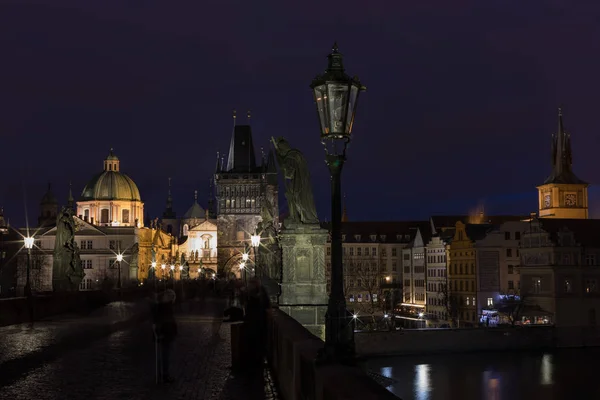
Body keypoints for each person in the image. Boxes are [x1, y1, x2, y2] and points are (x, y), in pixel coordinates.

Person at [244, 278, 271, 370]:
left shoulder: (256, 294)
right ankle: (256, 362)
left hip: (256, 323)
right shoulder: (259, 293)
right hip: (257, 323)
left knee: (256, 343)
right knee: (257, 344)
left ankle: (255, 363)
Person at [152, 288, 178, 383]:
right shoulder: (165, 307)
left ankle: (162, 373)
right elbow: (163, 322)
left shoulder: (162, 306)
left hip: (166, 334)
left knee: (164, 355)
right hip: (166, 334)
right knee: (165, 355)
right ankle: (165, 375)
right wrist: (161, 333)